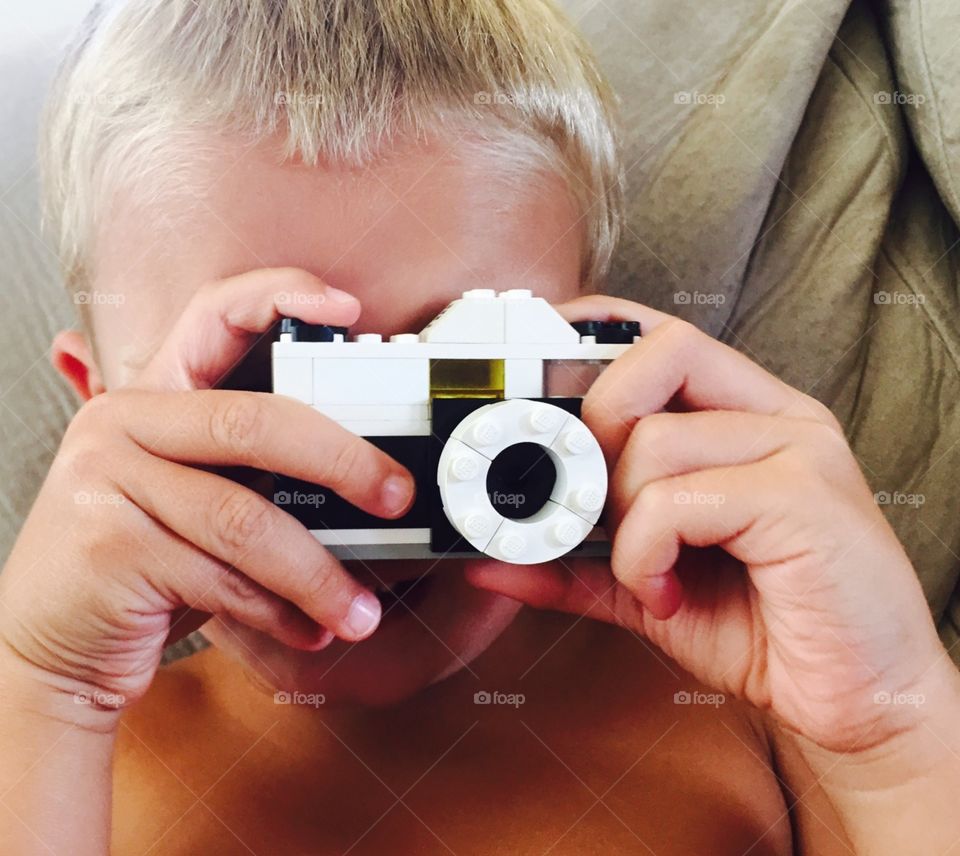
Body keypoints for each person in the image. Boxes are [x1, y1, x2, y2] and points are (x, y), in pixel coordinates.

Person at [2, 1, 959, 853]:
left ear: (592, 368)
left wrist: (890, 731)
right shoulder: (75, 746)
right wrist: (39, 687)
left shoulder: (752, 710)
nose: (364, 475)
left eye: (456, 373)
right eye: (264, 388)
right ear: (97, 414)